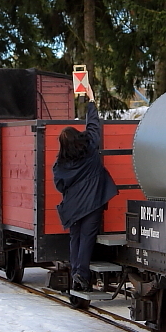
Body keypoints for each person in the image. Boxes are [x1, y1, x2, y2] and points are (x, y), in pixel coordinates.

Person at [52, 90, 118, 294]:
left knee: (76, 238)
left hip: (72, 206)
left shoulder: (60, 164)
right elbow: (93, 125)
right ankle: (81, 274)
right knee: (87, 238)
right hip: (92, 204)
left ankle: (76, 273)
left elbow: (60, 186)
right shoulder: (90, 147)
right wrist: (91, 102)